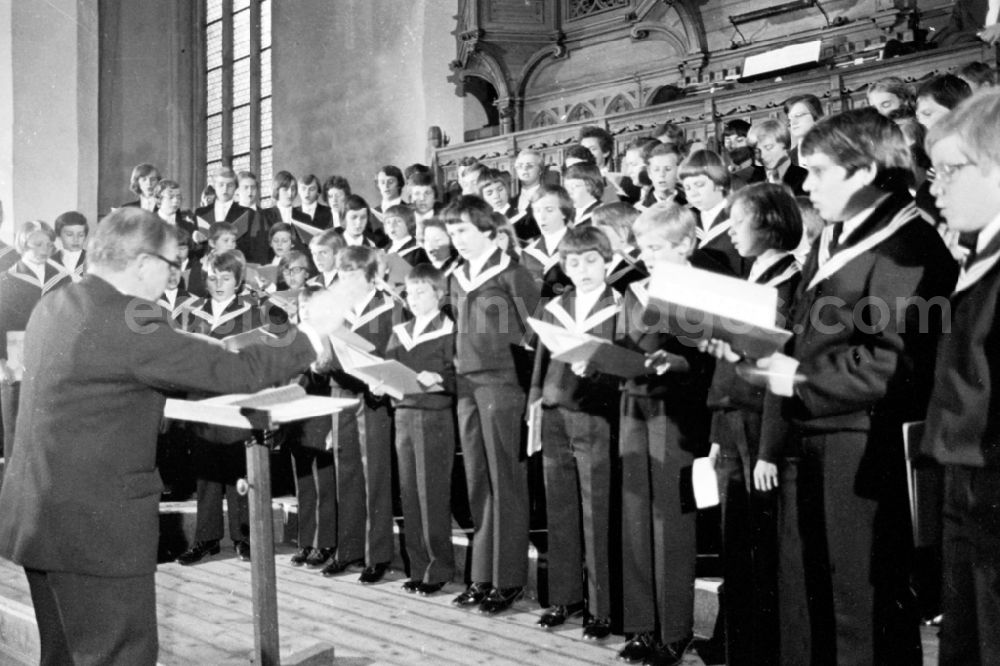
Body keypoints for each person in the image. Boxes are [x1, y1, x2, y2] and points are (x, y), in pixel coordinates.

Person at [0, 207, 355, 666]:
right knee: (118, 657)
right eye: (171, 266)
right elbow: (237, 370)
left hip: (41, 518)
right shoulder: (127, 319)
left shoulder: (56, 301)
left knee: (64, 657)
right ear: (145, 264)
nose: (173, 276)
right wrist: (312, 332)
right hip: (96, 531)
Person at [756, 107, 958, 664]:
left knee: (862, 605)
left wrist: (798, 378)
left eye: (819, 171)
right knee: (822, 594)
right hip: (822, 435)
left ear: (864, 172)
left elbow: (892, 365)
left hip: (867, 446)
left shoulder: (905, 246)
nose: (807, 184)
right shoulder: (845, 237)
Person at [701, 183, 803, 666]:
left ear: (767, 224)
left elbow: (779, 372)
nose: (731, 232)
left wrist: (768, 449)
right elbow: (733, 366)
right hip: (733, 424)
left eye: (738, 221)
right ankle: (735, 647)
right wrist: (720, 436)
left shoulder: (789, 284)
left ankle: (757, 651)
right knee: (736, 547)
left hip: (760, 431)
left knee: (760, 550)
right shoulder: (753, 279)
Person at [614, 202, 715, 666]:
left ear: (686, 245)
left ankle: (675, 630)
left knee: (670, 525)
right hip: (633, 407)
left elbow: (708, 359)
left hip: (677, 414)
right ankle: (641, 625)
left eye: (658, 247)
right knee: (635, 516)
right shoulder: (634, 290)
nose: (648, 255)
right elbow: (622, 345)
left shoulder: (700, 289)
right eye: (644, 246)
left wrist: (680, 363)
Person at [923, 87, 1000, 665]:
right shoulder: (979, 256)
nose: (937, 186)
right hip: (969, 477)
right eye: (934, 170)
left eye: (952, 170)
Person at [445, 195, 541, 615]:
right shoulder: (457, 275)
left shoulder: (514, 274)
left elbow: (534, 336)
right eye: (451, 232)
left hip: (503, 385)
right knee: (478, 483)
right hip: (466, 385)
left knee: (507, 483)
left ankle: (509, 579)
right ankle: (482, 575)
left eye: (463, 230)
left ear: (488, 230)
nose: (457, 239)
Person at [529, 225, 619, 640]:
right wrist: (534, 399)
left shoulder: (618, 306)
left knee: (595, 512)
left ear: (607, 260)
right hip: (553, 412)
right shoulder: (555, 305)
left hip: (593, 417)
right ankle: (565, 598)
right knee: (559, 508)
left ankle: (600, 609)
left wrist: (598, 370)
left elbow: (622, 366)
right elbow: (541, 360)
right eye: (574, 262)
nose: (582, 269)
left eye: (591, 260)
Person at [322, 246, 406, 583]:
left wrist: (382, 379)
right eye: (343, 273)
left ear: (371, 275)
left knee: (375, 477)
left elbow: (397, 351)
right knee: (346, 474)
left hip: (374, 395)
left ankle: (377, 555)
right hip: (341, 392)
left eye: (354, 273)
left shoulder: (390, 306)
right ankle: (349, 549)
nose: (347, 279)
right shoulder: (336, 307)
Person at [176, 250, 263, 565]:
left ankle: (244, 537)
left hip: (235, 398)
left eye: (226, 278)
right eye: (213, 277)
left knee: (237, 468)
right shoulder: (191, 312)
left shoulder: (253, 313)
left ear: (238, 281)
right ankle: (206, 538)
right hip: (202, 398)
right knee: (206, 470)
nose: (218, 284)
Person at [382, 264, 457, 596]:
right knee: (410, 494)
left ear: (439, 295)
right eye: (409, 292)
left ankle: (438, 567)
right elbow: (388, 369)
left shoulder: (450, 330)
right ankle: (417, 566)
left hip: (434, 417)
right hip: (403, 416)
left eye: (421, 292)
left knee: (432, 494)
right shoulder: (400, 331)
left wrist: (440, 379)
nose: (413, 298)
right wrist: (378, 384)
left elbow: (461, 374)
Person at [0, 220, 72, 457]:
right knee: (17, 424)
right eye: (37, 244)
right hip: (16, 360)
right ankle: (13, 491)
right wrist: (1, 364)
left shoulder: (61, 279)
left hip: (53, 358)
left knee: (51, 425)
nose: (43, 250)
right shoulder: (7, 280)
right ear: (22, 244)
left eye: (49, 244)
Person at [678, 149, 745, 276]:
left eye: (699, 184)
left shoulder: (740, 217)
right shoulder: (689, 222)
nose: (693, 193)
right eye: (687, 188)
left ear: (719, 183)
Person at [523, 185, 574, 298]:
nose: (542, 217)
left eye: (549, 210)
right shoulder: (528, 253)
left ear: (564, 212)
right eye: (537, 210)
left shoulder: (581, 244)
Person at [747, 119, 807, 197]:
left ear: (785, 144)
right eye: (757, 151)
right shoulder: (752, 180)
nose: (762, 156)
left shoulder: (804, 177)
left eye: (768, 147)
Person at [784, 94, 824, 166]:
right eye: (790, 118)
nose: (793, 122)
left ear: (816, 116)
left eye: (798, 115)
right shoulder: (785, 161)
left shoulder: (834, 150)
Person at [51, 211, 89, 282]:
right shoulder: (51, 262)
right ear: (58, 235)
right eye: (69, 234)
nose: (76, 239)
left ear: (85, 236)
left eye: (81, 235)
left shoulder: (92, 260)